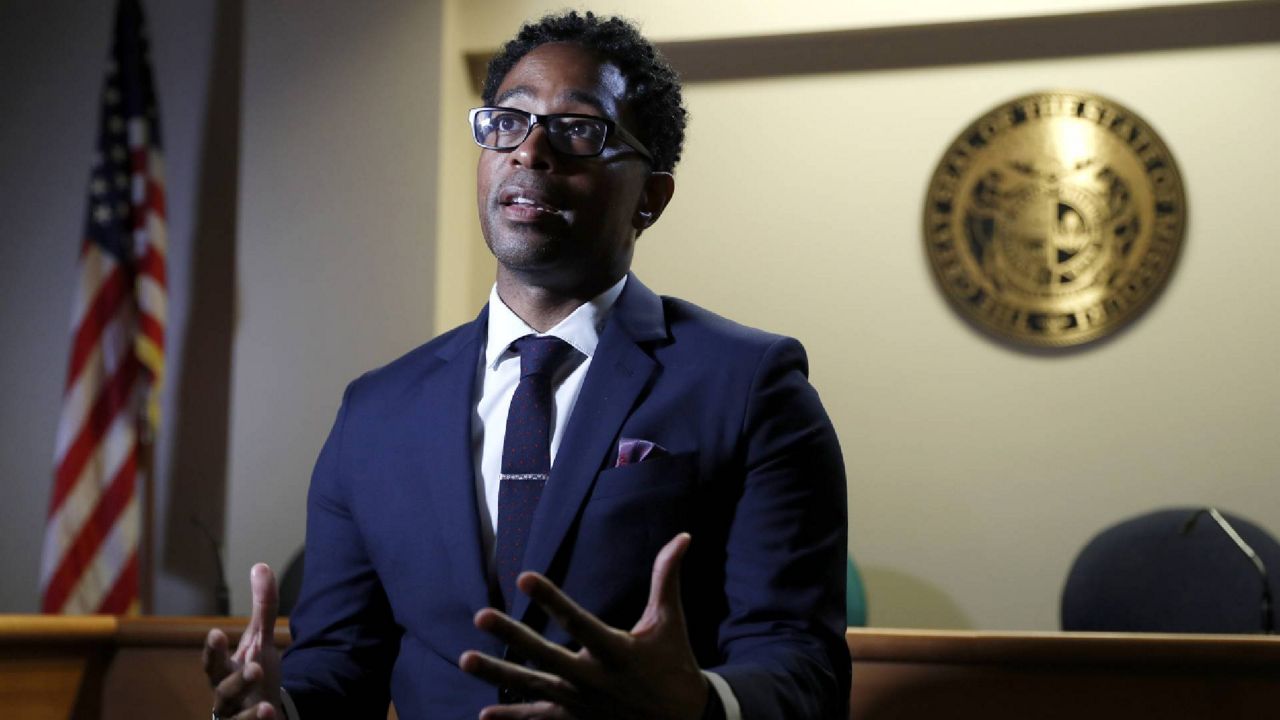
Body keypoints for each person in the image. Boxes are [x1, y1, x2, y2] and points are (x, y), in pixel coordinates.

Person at [203, 11, 849, 720]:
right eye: (507, 122)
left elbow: (802, 667)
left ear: (651, 199)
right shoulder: (376, 411)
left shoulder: (753, 387)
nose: (530, 151)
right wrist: (277, 708)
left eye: (579, 130)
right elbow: (340, 667)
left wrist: (695, 704)